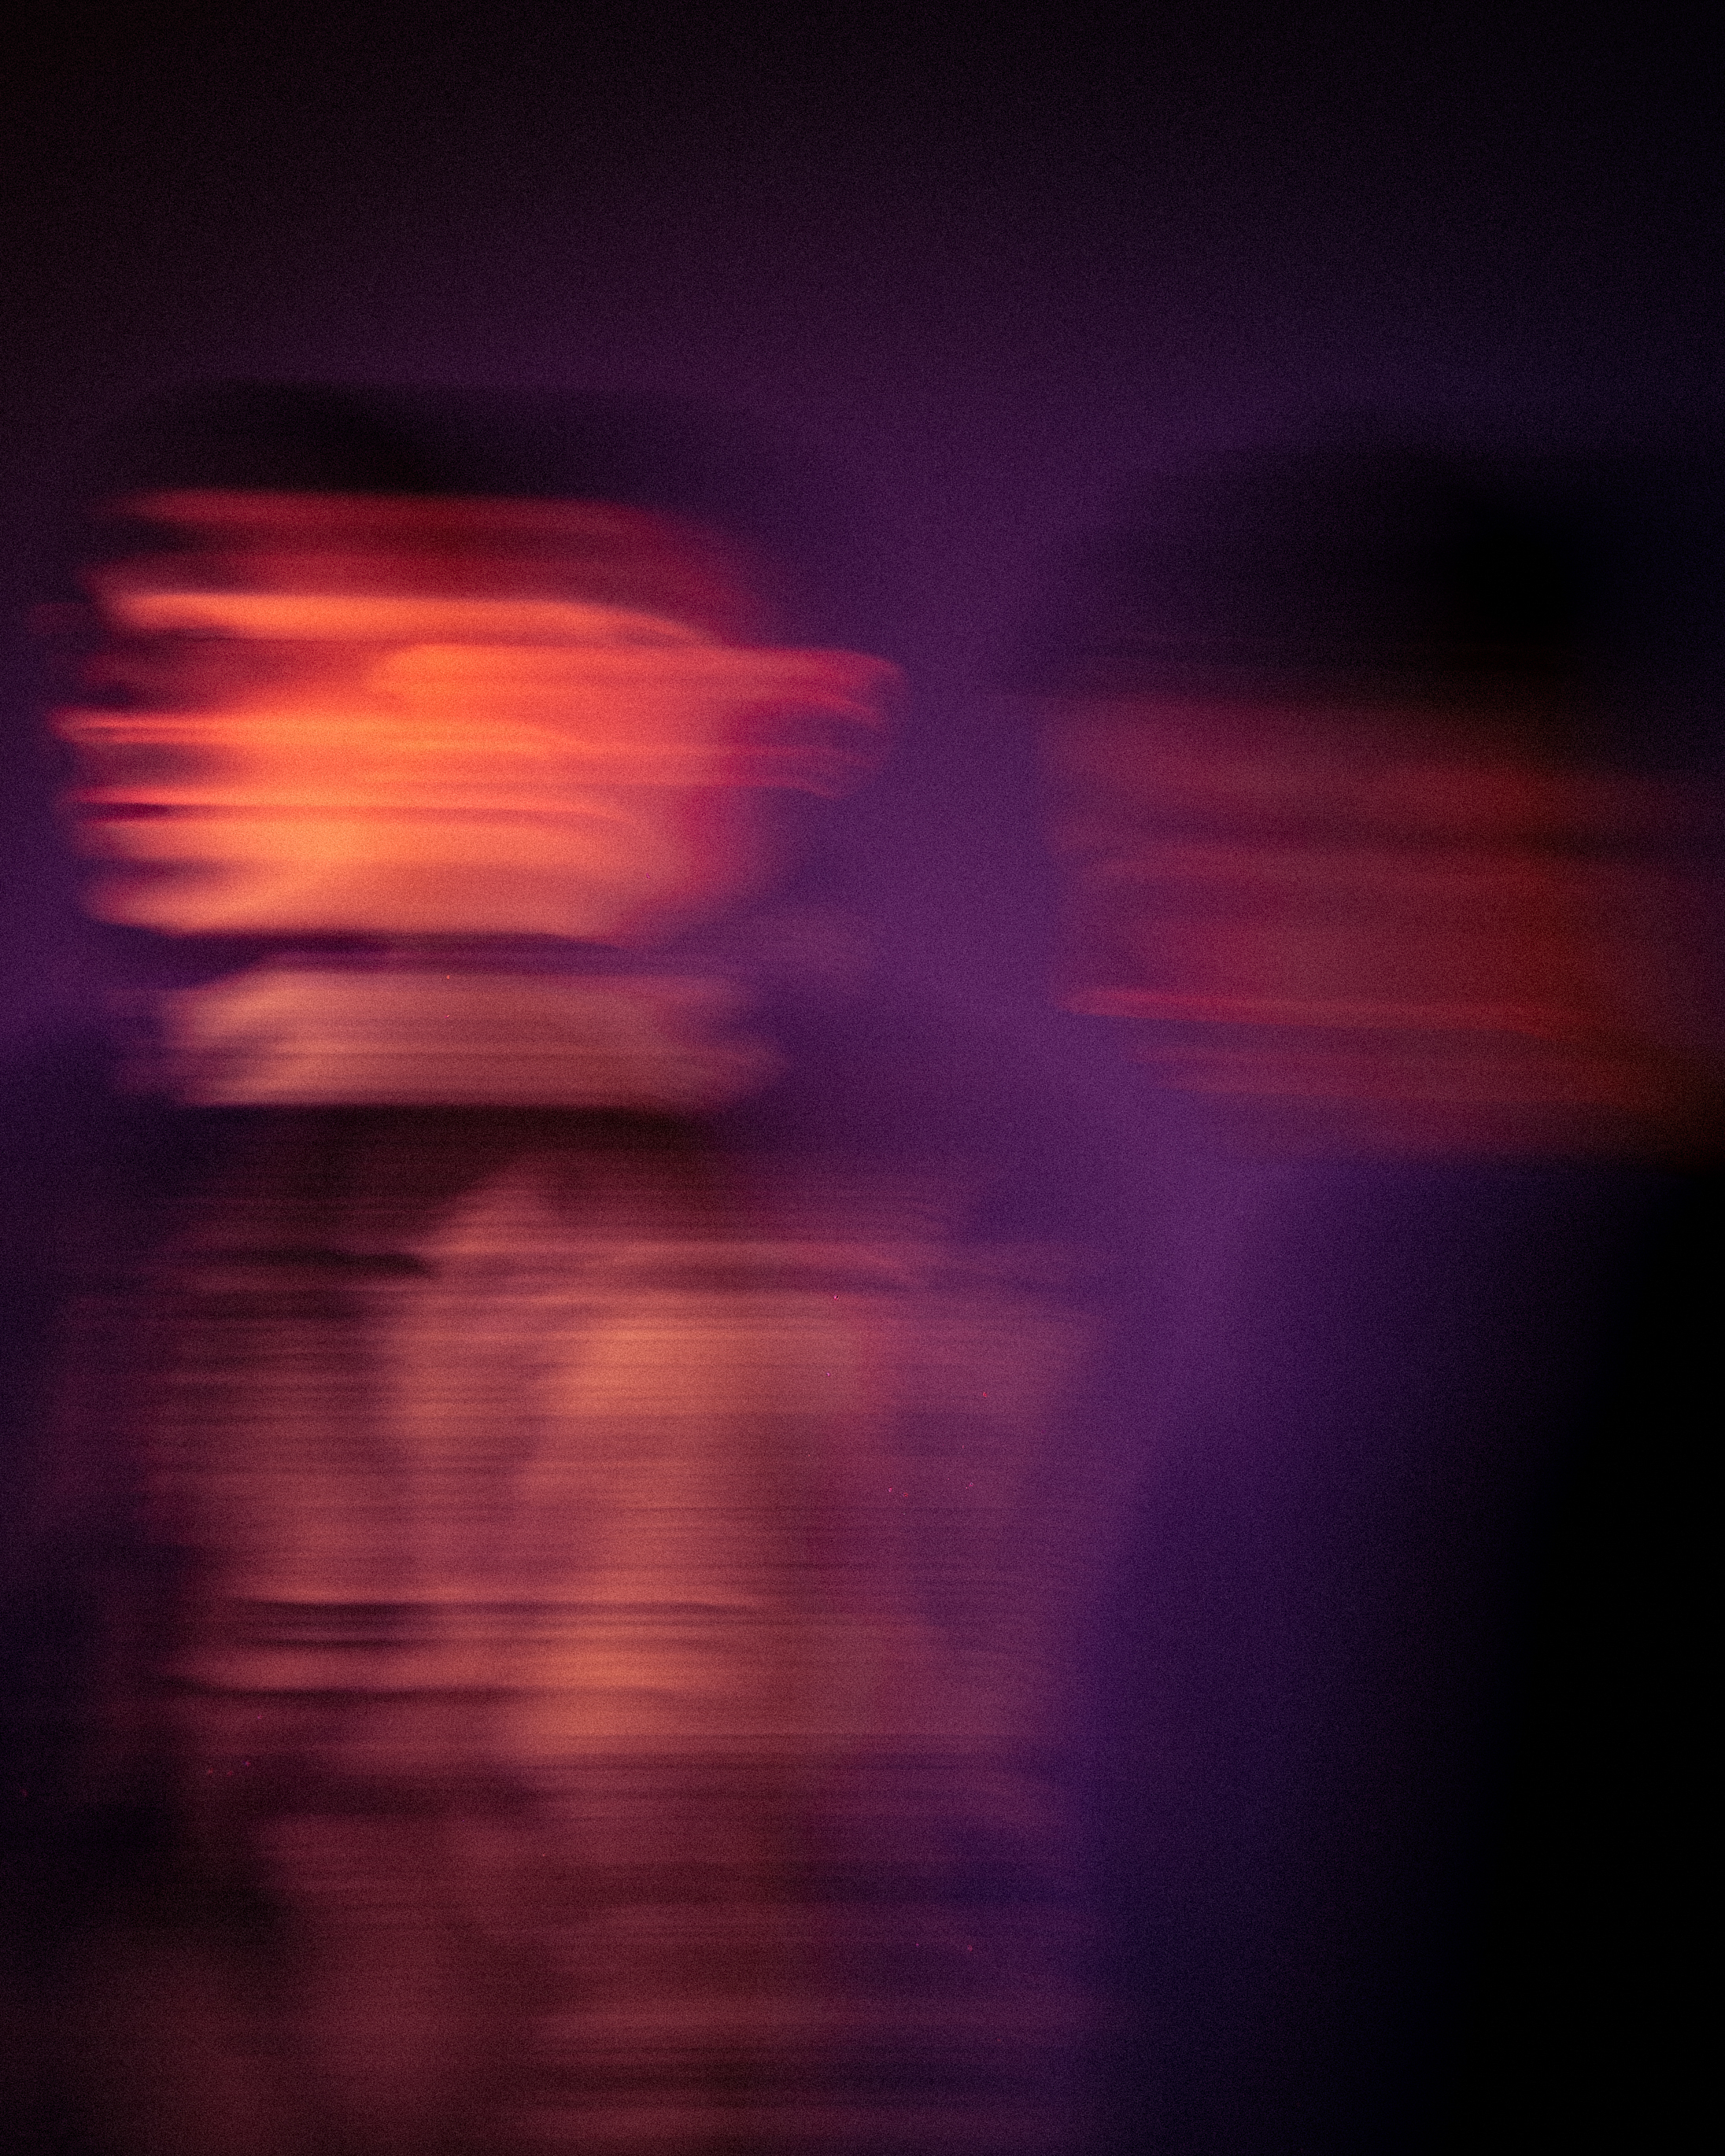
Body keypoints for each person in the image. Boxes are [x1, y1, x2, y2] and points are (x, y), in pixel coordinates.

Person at [7, 386, 1150, 2156]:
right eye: (112, 648)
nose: (120, 712)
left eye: (243, 653)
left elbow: (710, 1916)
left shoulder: (752, 1219)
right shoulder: (140, 1156)